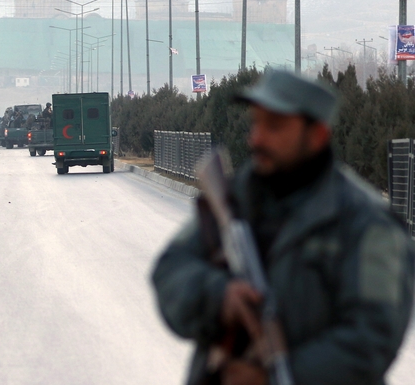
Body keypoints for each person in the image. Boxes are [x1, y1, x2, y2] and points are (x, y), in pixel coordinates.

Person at [151, 71, 414, 385]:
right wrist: (219, 296)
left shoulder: (367, 222)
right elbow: (171, 269)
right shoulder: (237, 198)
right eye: (256, 124)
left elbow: (372, 339)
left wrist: (272, 378)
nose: (256, 139)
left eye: (274, 126)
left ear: (317, 135)